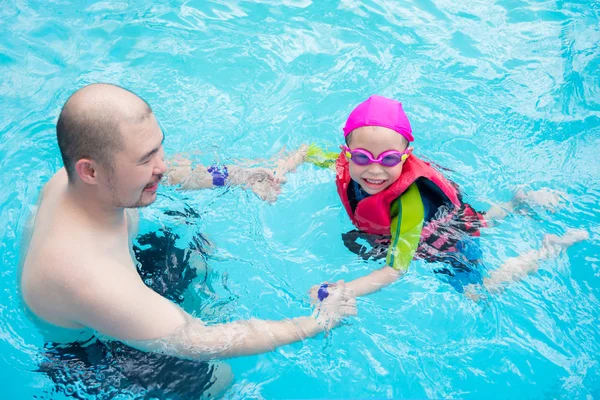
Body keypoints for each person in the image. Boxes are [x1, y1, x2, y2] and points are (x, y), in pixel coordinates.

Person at [19, 83, 356, 398]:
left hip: (114, 281)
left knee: (192, 238)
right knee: (217, 377)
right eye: (145, 159)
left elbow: (176, 174)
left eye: (157, 148)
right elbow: (201, 340)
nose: (161, 165)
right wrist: (317, 322)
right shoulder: (89, 278)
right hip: (90, 354)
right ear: (89, 171)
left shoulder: (79, 181)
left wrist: (238, 177)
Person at [304, 95, 588, 300]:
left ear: (405, 157)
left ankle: (548, 248)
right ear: (348, 151)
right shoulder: (344, 161)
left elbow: (395, 270)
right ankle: (516, 203)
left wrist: (343, 291)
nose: (374, 169)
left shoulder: (408, 204)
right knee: (479, 222)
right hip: (453, 217)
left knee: (478, 292)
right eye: (363, 157)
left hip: (440, 237)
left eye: (389, 159)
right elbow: (308, 152)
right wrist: (275, 169)